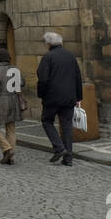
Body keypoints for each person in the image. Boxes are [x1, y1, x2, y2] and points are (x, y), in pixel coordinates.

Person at [37, 31, 83, 167]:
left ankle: (59, 147)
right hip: (69, 97)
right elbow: (77, 77)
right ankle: (68, 158)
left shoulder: (48, 57)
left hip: (52, 97)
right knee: (67, 125)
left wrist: (41, 94)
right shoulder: (70, 56)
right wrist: (78, 97)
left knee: (47, 121)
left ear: (48, 44)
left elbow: (43, 79)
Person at [0, 47, 26, 165]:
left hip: (0, 103)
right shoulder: (15, 69)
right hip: (14, 102)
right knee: (11, 128)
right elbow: (22, 83)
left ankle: (7, 149)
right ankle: (10, 157)